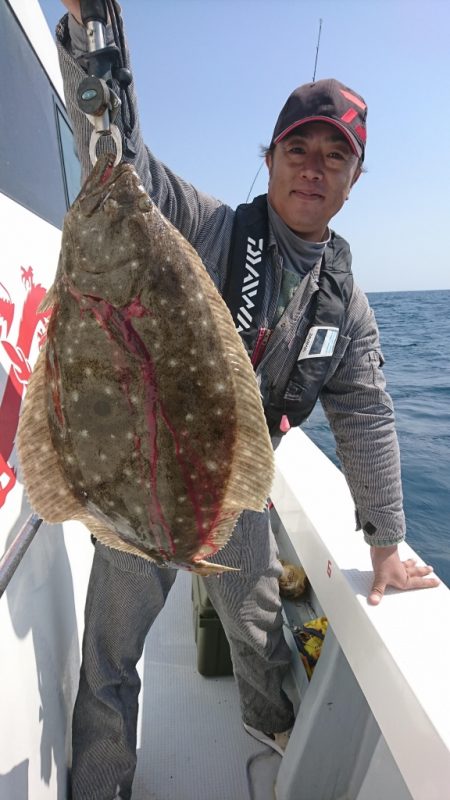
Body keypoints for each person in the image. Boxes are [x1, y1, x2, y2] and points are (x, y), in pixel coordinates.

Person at [55, 3, 439, 798]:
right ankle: (102, 783)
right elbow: (124, 160)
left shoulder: (346, 304)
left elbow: (365, 414)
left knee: (260, 626)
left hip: (237, 490)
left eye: (337, 156)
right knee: (110, 656)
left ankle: (272, 729)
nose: (314, 166)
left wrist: (387, 543)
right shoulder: (209, 227)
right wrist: (91, 35)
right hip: (147, 467)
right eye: (299, 147)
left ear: (355, 180)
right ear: (269, 157)